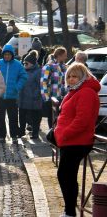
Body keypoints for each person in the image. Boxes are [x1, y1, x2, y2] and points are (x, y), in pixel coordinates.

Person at [54, 63, 100, 217]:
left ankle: (69, 212)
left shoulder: (86, 92)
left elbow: (83, 120)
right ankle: (69, 211)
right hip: (70, 141)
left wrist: (64, 134)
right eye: (69, 76)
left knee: (65, 175)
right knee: (66, 175)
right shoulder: (76, 91)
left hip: (77, 141)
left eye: (75, 76)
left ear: (82, 77)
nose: (71, 79)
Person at [0, 44, 28, 143]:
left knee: (13, 117)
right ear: (3, 54)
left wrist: (17, 87)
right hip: (0, 96)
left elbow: (23, 77)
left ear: (12, 55)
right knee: (0, 117)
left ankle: (14, 136)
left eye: (9, 54)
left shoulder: (18, 64)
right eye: (5, 54)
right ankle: (1, 136)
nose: (7, 56)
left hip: (12, 96)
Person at [41, 47, 68, 129]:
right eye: (64, 55)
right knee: (52, 119)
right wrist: (46, 97)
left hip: (61, 97)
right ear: (59, 55)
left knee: (60, 118)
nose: (66, 57)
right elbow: (43, 82)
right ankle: (52, 136)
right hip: (51, 97)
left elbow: (63, 82)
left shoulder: (63, 66)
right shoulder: (48, 66)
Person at [19, 51, 43, 140]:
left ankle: (35, 134)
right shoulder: (22, 71)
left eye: (26, 63)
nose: (24, 64)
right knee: (22, 117)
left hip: (34, 100)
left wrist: (36, 95)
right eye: (24, 62)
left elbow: (40, 85)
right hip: (22, 99)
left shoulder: (38, 71)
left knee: (35, 119)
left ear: (32, 64)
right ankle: (21, 133)